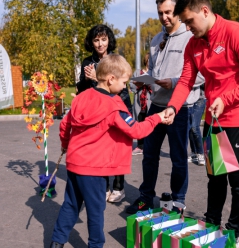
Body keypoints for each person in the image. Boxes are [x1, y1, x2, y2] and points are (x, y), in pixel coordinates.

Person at [165, 0, 239, 248]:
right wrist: (172, 107)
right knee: (215, 178)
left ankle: (234, 234)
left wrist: (228, 98)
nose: (188, 28)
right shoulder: (194, 44)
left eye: (189, 21)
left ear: (205, 11)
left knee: (238, 180)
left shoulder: (237, 33)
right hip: (212, 122)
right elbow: (187, 80)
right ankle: (211, 226)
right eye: (185, 23)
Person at [50, 54, 167, 248]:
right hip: (95, 169)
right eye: (123, 82)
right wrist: (158, 118)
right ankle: (95, 244)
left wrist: (65, 144)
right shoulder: (114, 107)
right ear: (111, 79)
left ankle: (57, 242)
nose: (124, 87)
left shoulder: (80, 98)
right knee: (96, 211)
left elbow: (65, 124)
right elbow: (137, 130)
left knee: (70, 204)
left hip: (74, 163)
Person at [126, 0, 204, 214]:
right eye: (160, 13)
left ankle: (178, 200)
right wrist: (143, 82)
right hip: (156, 106)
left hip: (181, 108)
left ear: (177, 11)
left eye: (168, 12)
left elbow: (201, 76)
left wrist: (173, 82)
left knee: (179, 157)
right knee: (149, 154)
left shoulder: (191, 37)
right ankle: (145, 197)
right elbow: (153, 71)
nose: (164, 17)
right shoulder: (155, 40)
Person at [76, 24, 132, 203]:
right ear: (91, 42)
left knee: (117, 148)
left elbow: (121, 90)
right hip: (97, 112)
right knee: (102, 150)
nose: (100, 44)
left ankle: (119, 187)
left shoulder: (116, 60)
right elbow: (82, 91)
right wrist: (86, 80)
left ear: (109, 40)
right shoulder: (87, 62)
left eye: (103, 39)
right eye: (96, 40)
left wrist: (96, 78)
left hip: (117, 108)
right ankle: (105, 186)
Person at [129, 52, 152, 155]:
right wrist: (139, 84)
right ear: (146, 61)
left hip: (150, 103)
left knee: (149, 124)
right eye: (148, 61)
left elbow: (157, 88)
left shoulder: (154, 73)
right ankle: (140, 145)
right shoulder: (138, 72)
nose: (150, 63)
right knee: (139, 123)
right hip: (140, 103)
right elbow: (131, 85)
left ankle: (149, 146)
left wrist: (149, 83)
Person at [188, 81, 206, 166]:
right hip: (188, 98)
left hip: (200, 98)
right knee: (190, 126)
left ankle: (201, 153)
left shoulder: (201, 69)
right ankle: (194, 153)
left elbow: (204, 82)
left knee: (194, 126)